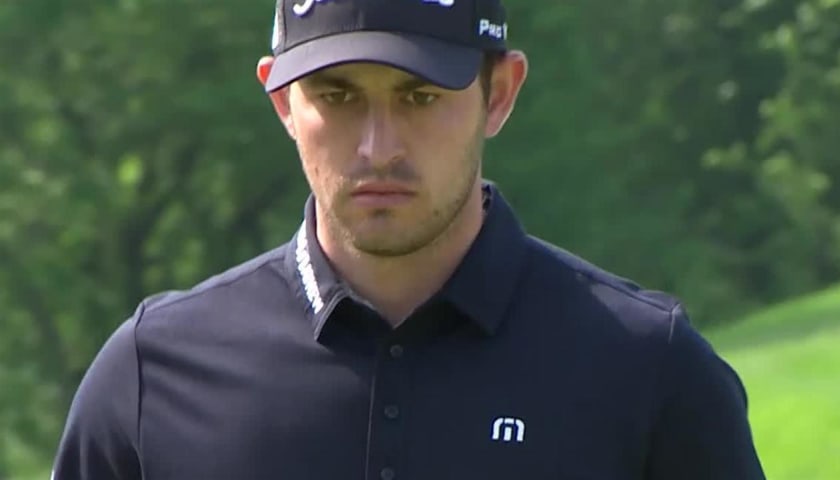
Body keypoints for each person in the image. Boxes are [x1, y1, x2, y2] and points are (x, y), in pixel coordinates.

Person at [51, 0, 767, 478]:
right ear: (280, 101)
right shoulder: (152, 374)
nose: (376, 147)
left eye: (419, 97)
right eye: (336, 96)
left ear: (502, 92)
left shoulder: (646, 370)